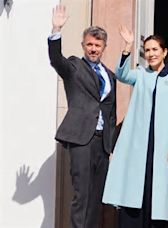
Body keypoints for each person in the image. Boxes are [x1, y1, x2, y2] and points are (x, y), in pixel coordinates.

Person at [102, 26, 168, 228]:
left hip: (162, 146)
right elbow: (121, 74)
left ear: (164, 52)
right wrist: (127, 47)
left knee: (155, 194)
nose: (151, 54)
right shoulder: (140, 74)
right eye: (147, 50)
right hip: (138, 145)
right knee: (134, 191)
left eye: (155, 49)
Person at [48, 4, 116, 228]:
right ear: (83, 45)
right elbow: (57, 60)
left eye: (97, 45)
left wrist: (111, 146)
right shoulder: (74, 66)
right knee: (81, 197)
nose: (93, 49)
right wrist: (56, 30)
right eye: (89, 44)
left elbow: (111, 113)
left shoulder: (110, 75)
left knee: (96, 200)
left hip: (102, 144)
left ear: (104, 46)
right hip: (81, 140)